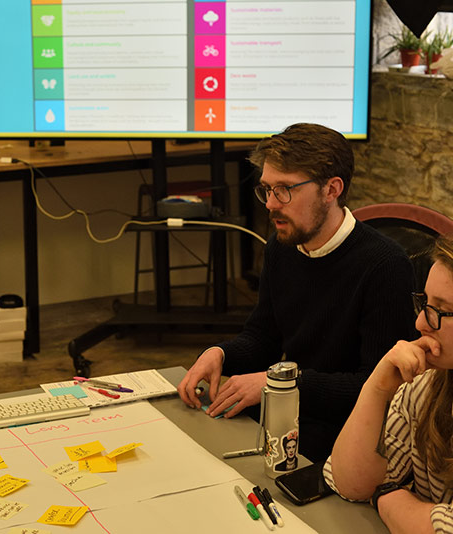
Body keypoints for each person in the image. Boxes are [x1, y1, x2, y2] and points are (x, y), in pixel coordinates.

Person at [177, 123, 416, 462]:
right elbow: (264, 336)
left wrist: (280, 385)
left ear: (331, 189)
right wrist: (220, 354)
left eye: (285, 190)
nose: (271, 204)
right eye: (267, 189)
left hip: (346, 435)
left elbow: (379, 388)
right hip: (291, 415)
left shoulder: (384, 265)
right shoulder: (283, 246)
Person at [326, 235, 453, 533]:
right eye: (424, 304)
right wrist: (378, 388)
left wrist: (388, 499)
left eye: (441, 311)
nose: (421, 324)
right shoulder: (427, 384)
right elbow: (351, 482)